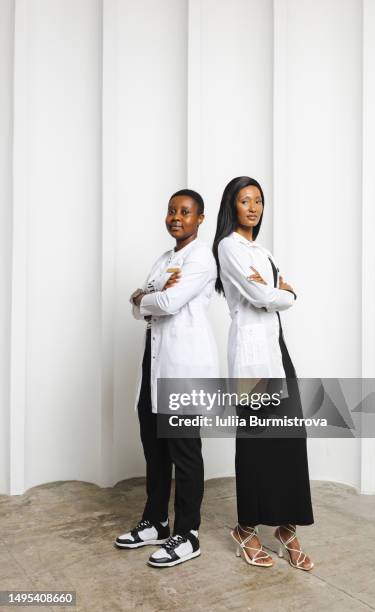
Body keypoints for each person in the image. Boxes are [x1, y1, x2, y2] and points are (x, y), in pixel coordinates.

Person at [212, 176, 314, 570]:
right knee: (255, 439)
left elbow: (269, 293)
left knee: (289, 437)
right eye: (244, 201)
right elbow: (262, 296)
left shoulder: (262, 251)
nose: (252, 207)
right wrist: (285, 293)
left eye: (257, 200)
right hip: (253, 355)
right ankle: (245, 527)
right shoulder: (228, 247)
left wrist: (273, 290)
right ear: (231, 207)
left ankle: (286, 526)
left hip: (277, 349)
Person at [115, 189, 219, 567]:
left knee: (185, 453)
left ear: (200, 219)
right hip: (153, 365)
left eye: (186, 212)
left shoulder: (202, 259)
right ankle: (156, 522)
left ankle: (188, 533)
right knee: (155, 450)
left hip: (185, 368)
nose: (176, 217)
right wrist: (149, 298)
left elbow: (167, 303)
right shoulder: (164, 260)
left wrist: (146, 297)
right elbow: (140, 310)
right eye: (172, 210)